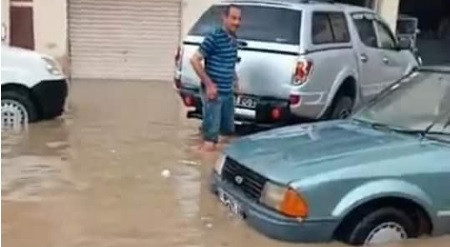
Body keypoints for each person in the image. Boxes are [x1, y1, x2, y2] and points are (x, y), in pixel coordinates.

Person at [190, 4, 241, 152]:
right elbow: (194, 60)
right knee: (210, 143)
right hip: (214, 95)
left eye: (239, 19)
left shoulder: (233, 40)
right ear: (224, 18)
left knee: (226, 137)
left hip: (228, 93)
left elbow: (229, 63)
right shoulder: (214, 37)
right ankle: (204, 170)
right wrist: (209, 85)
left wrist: (236, 81)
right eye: (233, 18)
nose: (237, 22)